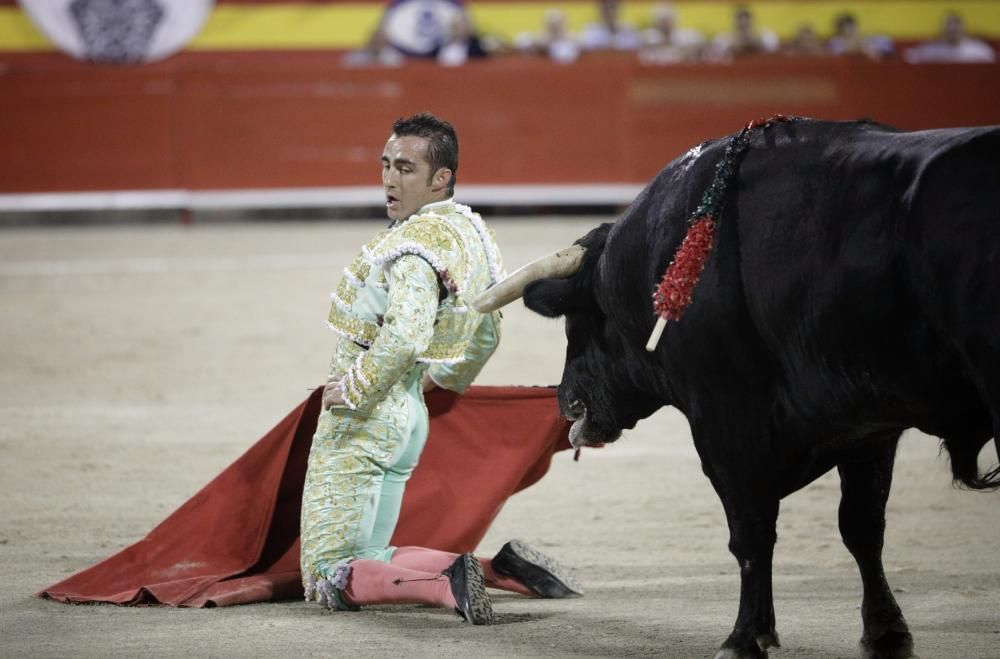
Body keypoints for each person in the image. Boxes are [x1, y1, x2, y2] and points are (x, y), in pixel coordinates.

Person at [300, 113, 581, 624]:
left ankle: (444, 581)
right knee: (362, 559)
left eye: (405, 168)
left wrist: (357, 388)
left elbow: (405, 334)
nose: (388, 179)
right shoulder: (466, 232)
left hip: (365, 420)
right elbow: (488, 330)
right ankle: (494, 569)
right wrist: (443, 381)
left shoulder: (412, 245)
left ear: (440, 178)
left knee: (327, 574)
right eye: (385, 165)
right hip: (406, 414)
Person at [904, 12, 996, 63]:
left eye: (956, 30)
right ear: (943, 31)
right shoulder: (932, 50)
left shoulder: (978, 50)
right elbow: (911, 56)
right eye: (950, 31)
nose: (953, 34)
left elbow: (992, 59)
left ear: (963, 30)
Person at [637, 2, 704, 64]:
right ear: (655, 21)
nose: (665, 24)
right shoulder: (647, 37)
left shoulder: (689, 35)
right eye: (662, 20)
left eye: (668, 19)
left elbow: (700, 52)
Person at [706, 5, 779, 61]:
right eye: (740, 26)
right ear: (734, 23)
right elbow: (715, 57)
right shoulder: (723, 38)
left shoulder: (766, 35)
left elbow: (774, 53)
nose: (743, 27)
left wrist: (755, 43)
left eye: (746, 26)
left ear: (752, 22)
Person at [826, 12, 893, 60]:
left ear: (856, 27)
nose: (848, 31)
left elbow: (886, 52)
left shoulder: (873, 38)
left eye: (850, 27)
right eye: (844, 29)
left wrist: (866, 47)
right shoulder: (835, 42)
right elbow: (834, 55)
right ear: (839, 31)